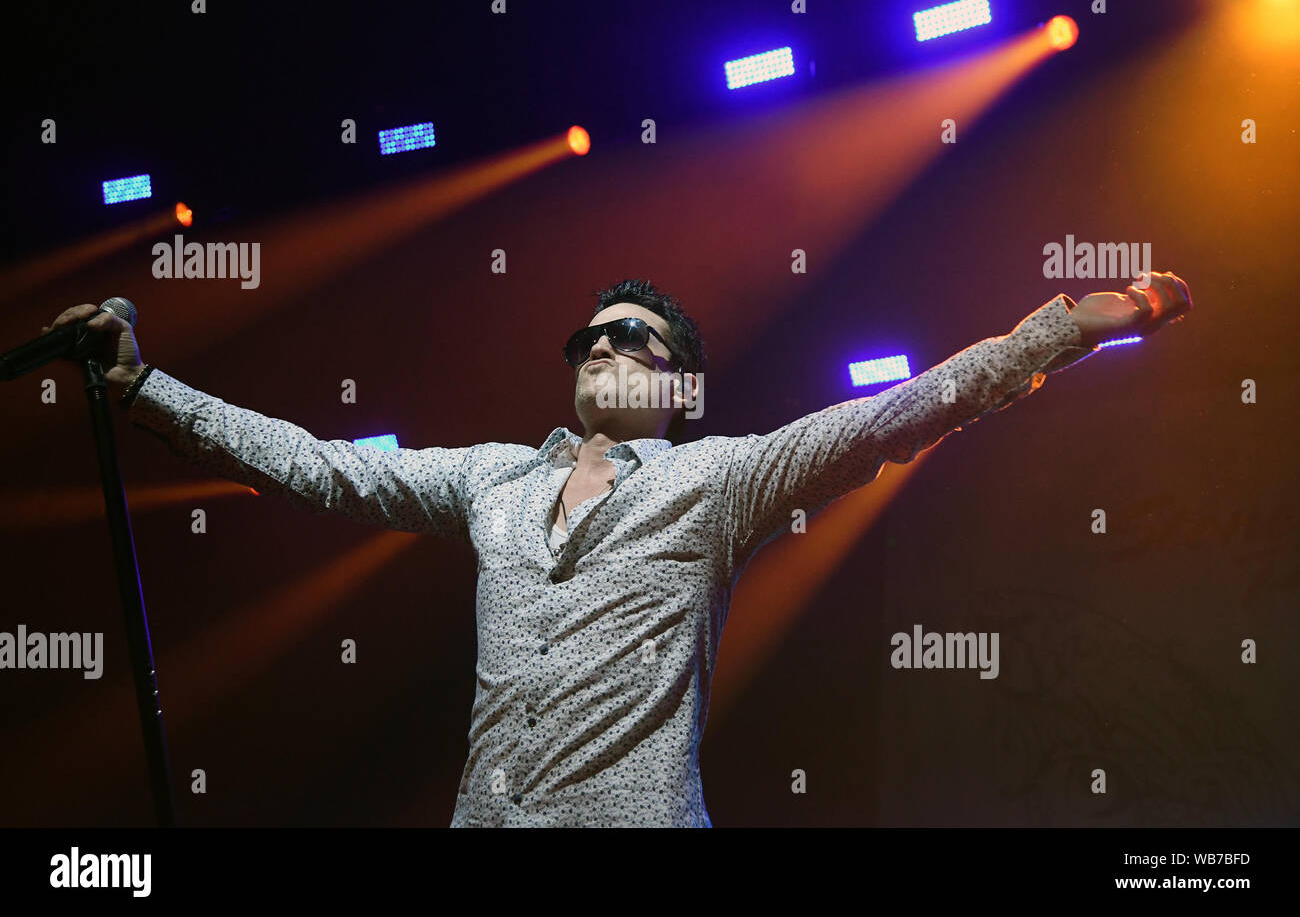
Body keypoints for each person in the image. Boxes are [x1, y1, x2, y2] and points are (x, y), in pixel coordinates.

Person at [43, 272, 1192, 826]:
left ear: (680, 382)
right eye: (587, 335)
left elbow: (897, 412)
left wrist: (1064, 331)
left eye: (629, 335)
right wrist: (148, 386)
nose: (599, 342)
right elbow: (320, 463)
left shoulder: (720, 474)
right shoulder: (493, 476)